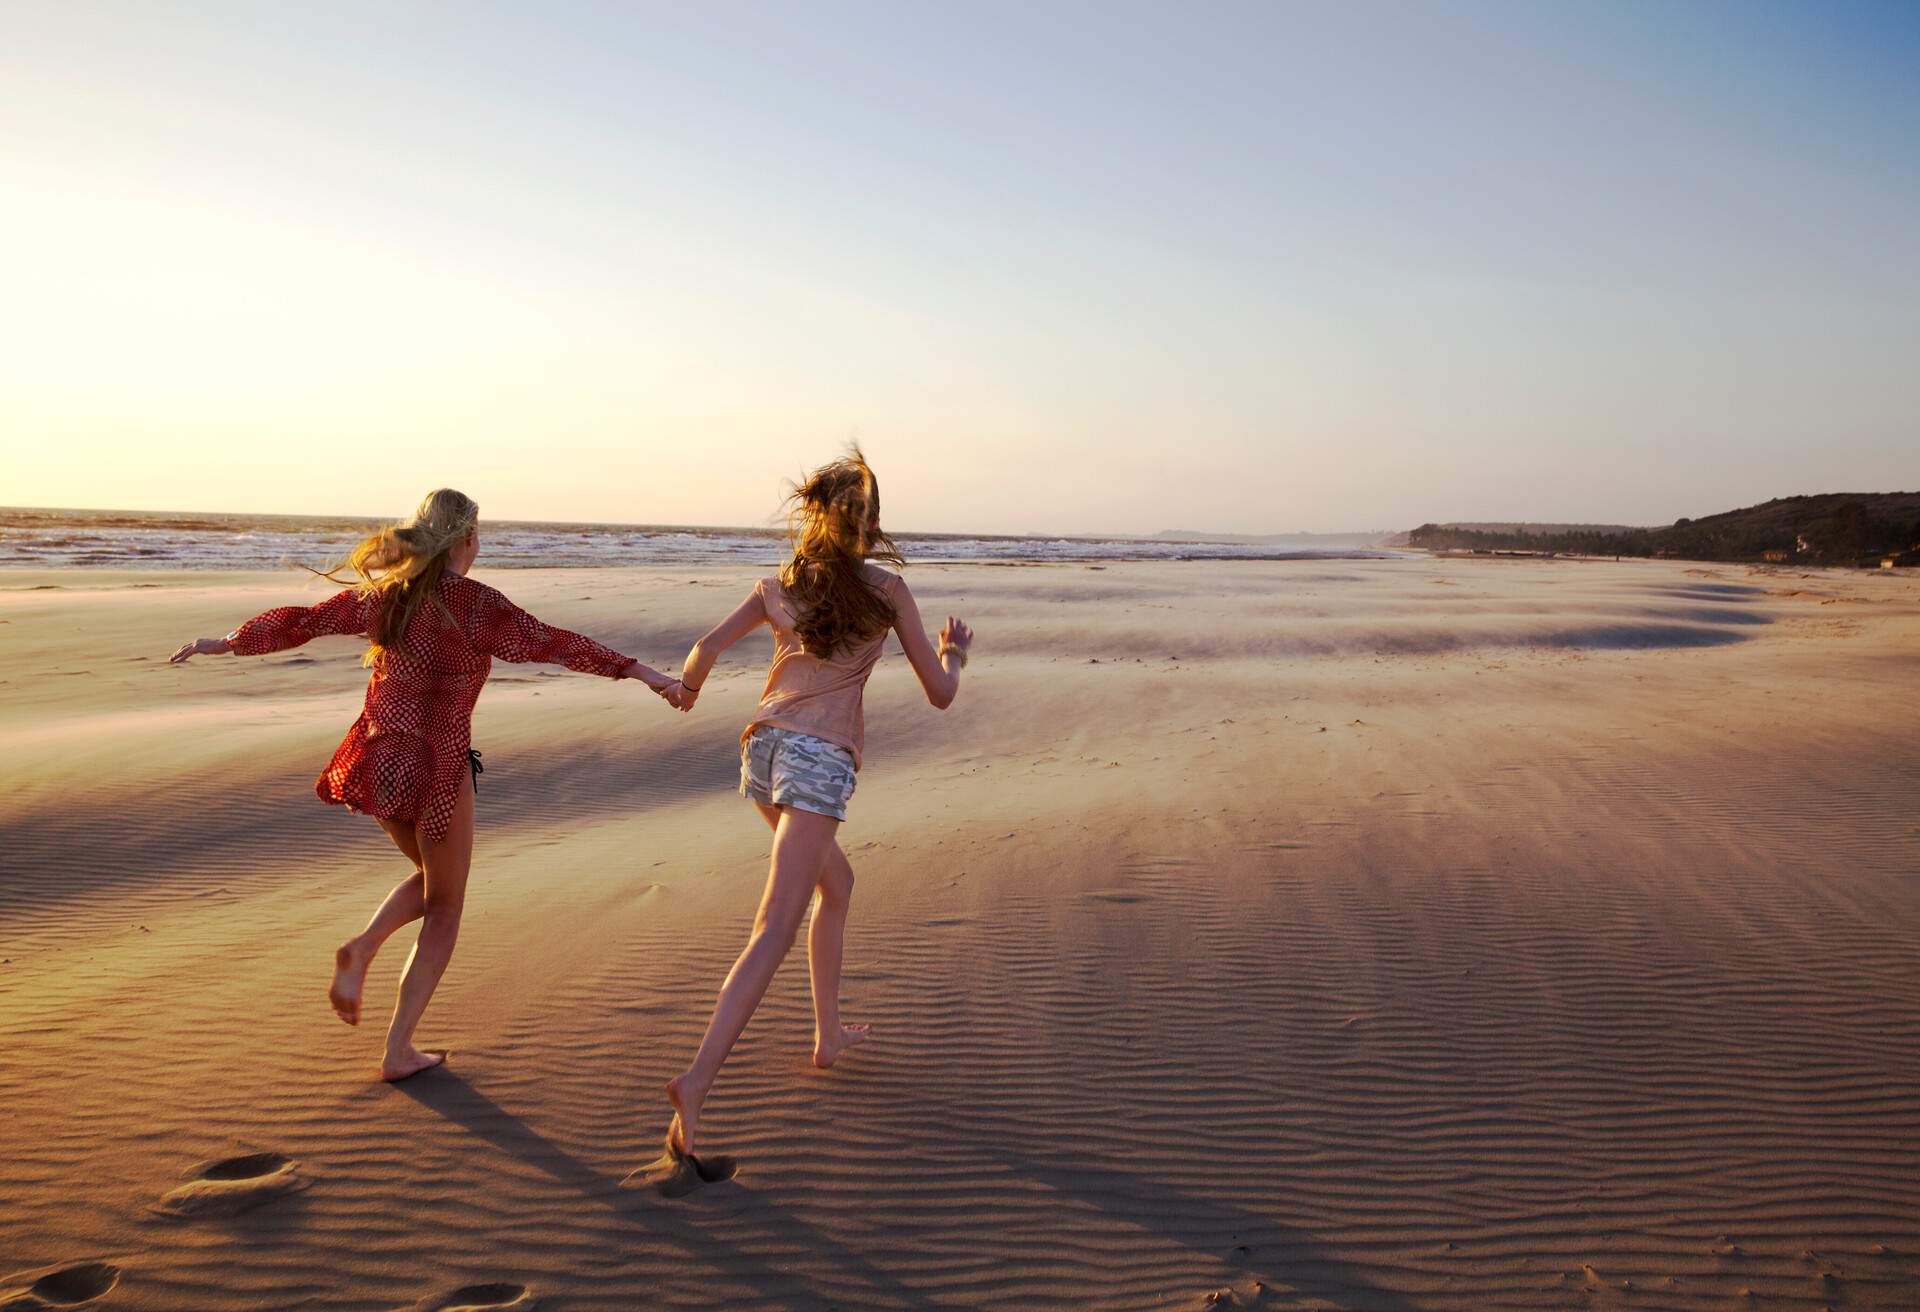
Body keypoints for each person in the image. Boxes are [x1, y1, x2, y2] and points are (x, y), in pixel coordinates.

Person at [170, 488, 676, 1080]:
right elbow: (553, 643)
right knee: (447, 905)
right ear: (467, 540)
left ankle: (367, 957)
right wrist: (642, 672)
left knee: (436, 885)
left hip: (379, 752)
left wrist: (227, 642)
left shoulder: (389, 598)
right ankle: (390, 1029)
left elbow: (305, 622)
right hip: (436, 764)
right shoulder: (478, 606)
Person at [657, 449, 973, 1155]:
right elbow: (941, 693)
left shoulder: (778, 586)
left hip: (761, 752)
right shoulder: (888, 592)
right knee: (772, 926)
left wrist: (686, 691)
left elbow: (704, 649)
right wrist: (955, 652)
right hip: (816, 764)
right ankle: (698, 1078)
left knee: (839, 883)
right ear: (873, 524)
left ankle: (827, 1034)